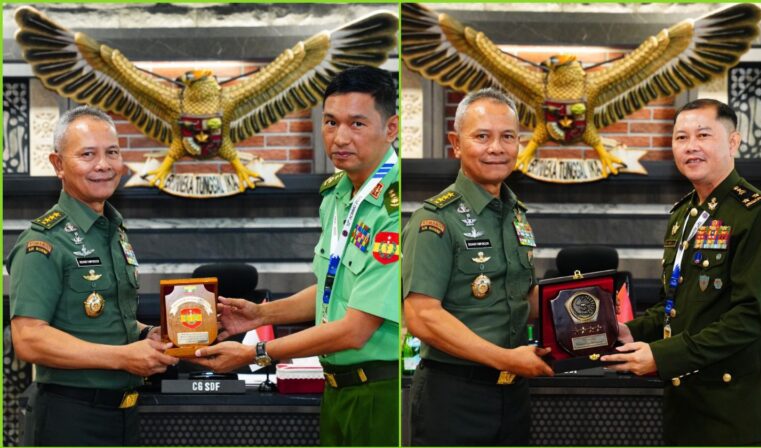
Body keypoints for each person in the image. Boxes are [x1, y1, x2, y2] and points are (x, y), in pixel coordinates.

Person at [190, 66, 400, 446]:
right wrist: (261, 315)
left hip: (382, 393)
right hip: (337, 389)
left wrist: (255, 353)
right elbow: (332, 290)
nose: (340, 137)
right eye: (331, 122)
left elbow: (356, 329)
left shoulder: (395, 207)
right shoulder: (337, 194)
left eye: (357, 124)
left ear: (391, 129)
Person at [601, 99, 761, 445]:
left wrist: (661, 356)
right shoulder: (683, 215)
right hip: (686, 406)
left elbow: (748, 318)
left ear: (733, 142)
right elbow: (674, 305)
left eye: (703, 135)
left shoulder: (756, 213)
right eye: (681, 137)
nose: (690, 146)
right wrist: (630, 330)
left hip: (737, 414)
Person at [8, 106, 178, 446]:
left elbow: (108, 316)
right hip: (70, 418)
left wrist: (147, 333)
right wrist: (124, 357)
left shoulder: (112, 231)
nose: (103, 165)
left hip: (125, 415)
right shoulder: (43, 242)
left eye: (112, 152)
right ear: (58, 164)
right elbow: (28, 339)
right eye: (88, 154)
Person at [402, 88, 553, 446]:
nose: (496, 148)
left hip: (513, 395)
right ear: (456, 144)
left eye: (507, 137)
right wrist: (507, 359)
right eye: (482, 136)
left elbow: (519, 297)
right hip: (454, 396)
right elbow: (422, 317)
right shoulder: (435, 220)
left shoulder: (515, 215)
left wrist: (588, 310)